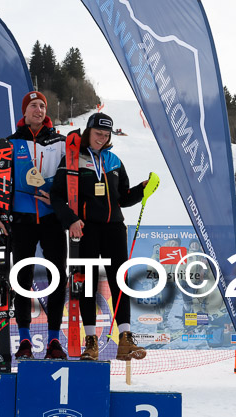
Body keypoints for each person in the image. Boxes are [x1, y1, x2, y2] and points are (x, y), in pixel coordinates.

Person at [51, 112, 149, 361]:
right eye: (98, 134)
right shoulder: (72, 159)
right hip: (87, 229)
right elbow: (57, 196)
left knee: (120, 281)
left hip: (114, 228)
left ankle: (125, 338)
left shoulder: (114, 160)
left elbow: (123, 197)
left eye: (106, 136)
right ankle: (91, 341)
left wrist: (142, 190)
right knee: (88, 284)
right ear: (88, 132)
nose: (101, 139)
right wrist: (70, 220)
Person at [0, 91, 68, 360]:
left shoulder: (60, 142)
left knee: (58, 276)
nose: (39, 109)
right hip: (20, 220)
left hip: (52, 219)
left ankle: (54, 340)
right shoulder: (10, 144)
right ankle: (24, 342)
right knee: (21, 279)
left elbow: (71, 180)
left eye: (43, 106)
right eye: (33, 105)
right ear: (24, 111)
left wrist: (60, 200)